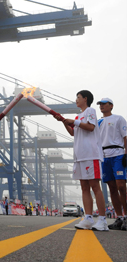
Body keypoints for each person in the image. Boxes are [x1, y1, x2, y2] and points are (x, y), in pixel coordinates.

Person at [54, 90, 108, 231]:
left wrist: (74, 121)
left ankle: (102, 220)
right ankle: (88, 218)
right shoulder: (79, 116)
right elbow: (73, 132)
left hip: (91, 154)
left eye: (78, 97)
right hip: (79, 156)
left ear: (85, 99)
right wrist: (64, 122)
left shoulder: (90, 111)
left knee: (95, 186)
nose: (76, 100)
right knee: (84, 187)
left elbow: (90, 127)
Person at [97, 97, 127, 230]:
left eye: (104, 104)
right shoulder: (98, 122)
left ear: (111, 106)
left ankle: (126, 217)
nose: (101, 106)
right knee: (112, 188)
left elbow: (125, 137)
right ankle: (119, 218)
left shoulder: (119, 119)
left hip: (118, 154)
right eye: (100, 105)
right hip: (105, 157)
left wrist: (126, 154)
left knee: (121, 186)